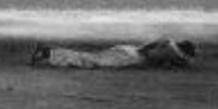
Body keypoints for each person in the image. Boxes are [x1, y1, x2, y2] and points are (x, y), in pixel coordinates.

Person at [30, 38, 197, 69]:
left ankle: (49, 52)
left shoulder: (169, 43)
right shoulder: (172, 48)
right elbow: (151, 50)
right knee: (91, 61)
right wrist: (143, 51)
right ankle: (48, 52)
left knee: (91, 59)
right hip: (132, 56)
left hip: (129, 51)